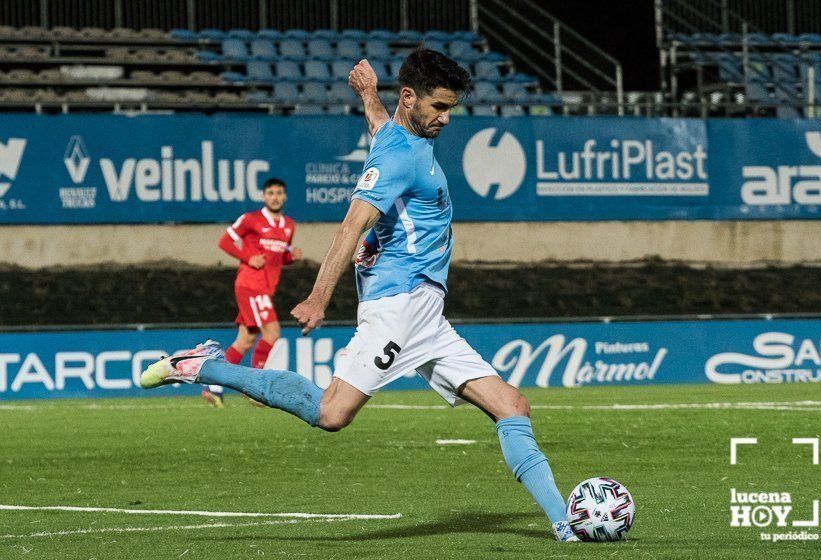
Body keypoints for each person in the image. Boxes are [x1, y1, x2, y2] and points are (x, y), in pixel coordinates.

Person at [141, 49, 578, 542]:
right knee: (331, 413)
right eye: (438, 107)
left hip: (428, 317)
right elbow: (352, 224)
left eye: (451, 107)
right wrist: (318, 297)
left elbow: (382, 127)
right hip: (399, 307)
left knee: (511, 407)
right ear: (410, 98)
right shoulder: (398, 156)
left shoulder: (399, 135)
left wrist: (368, 96)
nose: (446, 118)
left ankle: (566, 524)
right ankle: (204, 366)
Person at [207, 178, 303, 407]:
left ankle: (212, 387)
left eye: (279, 193)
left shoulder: (288, 225)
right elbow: (224, 241)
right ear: (263, 196)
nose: (275, 197)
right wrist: (248, 257)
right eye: (270, 193)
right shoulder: (251, 220)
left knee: (244, 340)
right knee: (272, 333)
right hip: (250, 284)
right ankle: (253, 389)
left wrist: (291, 258)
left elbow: (278, 257)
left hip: (264, 288)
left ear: (285, 196)